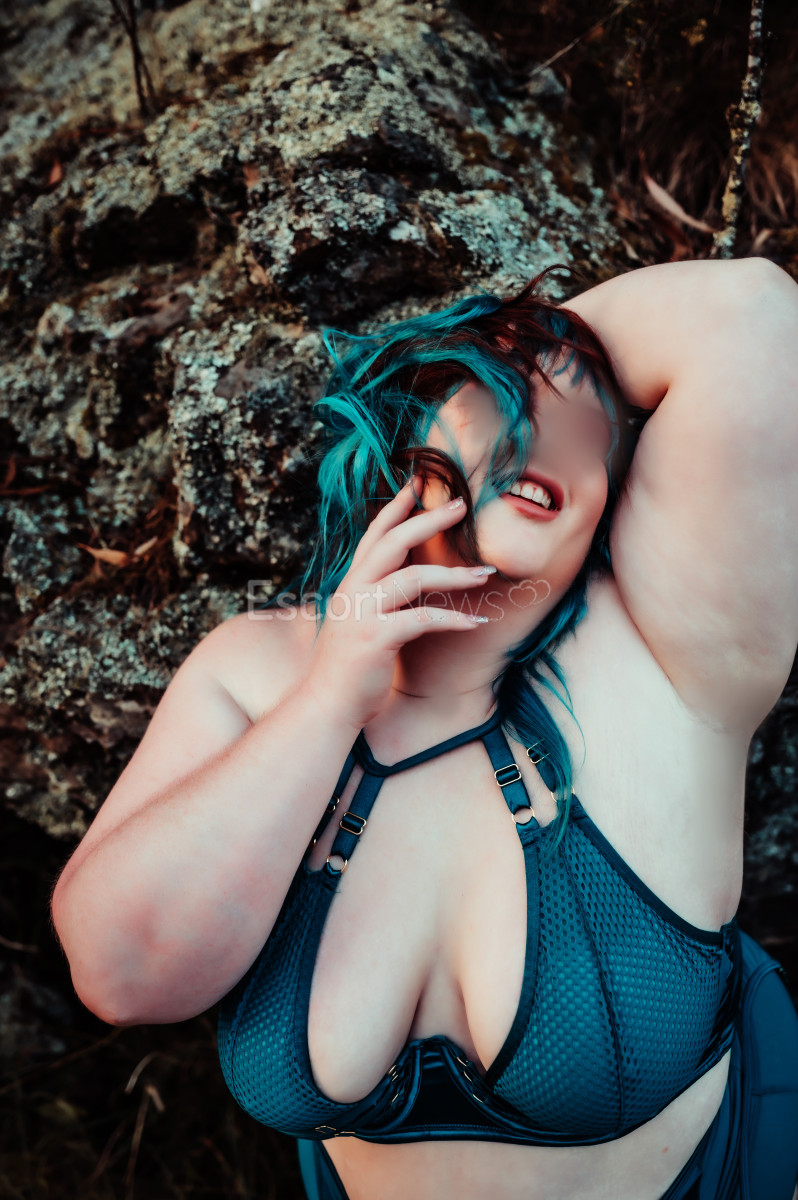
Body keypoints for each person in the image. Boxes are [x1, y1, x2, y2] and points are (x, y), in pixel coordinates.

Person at [51, 259, 798, 1200]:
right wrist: (330, 700)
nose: (554, 434)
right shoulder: (257, 671)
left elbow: (750, 313)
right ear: (406, 436)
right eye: (506, 395)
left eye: (590, 435)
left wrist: (500, 371)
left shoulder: (664, 660)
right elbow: (121, 975)